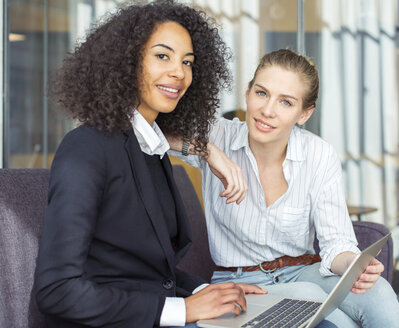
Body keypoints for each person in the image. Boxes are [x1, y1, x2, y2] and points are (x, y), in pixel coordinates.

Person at [33, 2, 278, 327]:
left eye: (187, 62)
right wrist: (184, 310)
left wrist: (211, 291)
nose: (179, 72)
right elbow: (57, 290)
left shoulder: (150, 147)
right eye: (163, 56)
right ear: (126, 61)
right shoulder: (86, 147)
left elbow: (145, 271)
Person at [168, 49, 399, 327]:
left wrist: (355, 265)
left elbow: (336, 242)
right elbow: (146, 127)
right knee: (314, 302)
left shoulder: (319, 154)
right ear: (247, 93)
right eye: (261, 93)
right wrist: (208, 151)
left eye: (286, 102)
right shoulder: (218, 134)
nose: (267, 110)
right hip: (239, 280)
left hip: (304, 272)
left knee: (377, 290)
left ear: (304, 114)